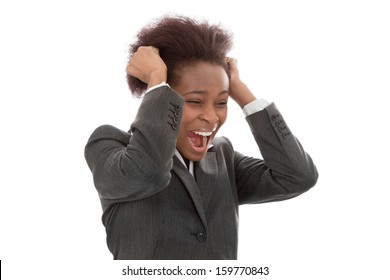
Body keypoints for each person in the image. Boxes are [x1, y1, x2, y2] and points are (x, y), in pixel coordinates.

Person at [84, 15, 318, 260]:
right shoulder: (109, 145)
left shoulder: (223, 157)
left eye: (221, 103)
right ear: (165, 99)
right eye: (194, 101)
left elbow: (298, 177)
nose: (211, 117)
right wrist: (156, 79)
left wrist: (241, 92)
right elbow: (148, 172)